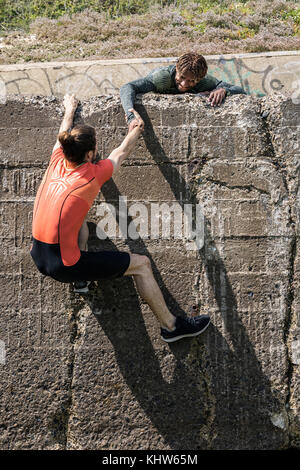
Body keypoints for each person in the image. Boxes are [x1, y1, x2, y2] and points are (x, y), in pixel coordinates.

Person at [30, 93, 210, 343]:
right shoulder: (91, 175)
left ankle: (81, 281)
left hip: (38, 254)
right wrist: (136, 128)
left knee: (79, 218)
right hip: (64, 265)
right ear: (91, 154)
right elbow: (120, 153)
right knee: (141, 264)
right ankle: (172, 327)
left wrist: (69, 109)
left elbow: (63, 131)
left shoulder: (56, 160)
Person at [120, 52, 246, 131]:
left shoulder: (204, 81)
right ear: (176, 69)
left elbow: (241, 91)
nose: (184, 84)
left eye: (192, 81)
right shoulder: (162, 78)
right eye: (182, 77)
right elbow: (128, 87)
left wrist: (223, 90)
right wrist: (131, 116)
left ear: (199, 79)